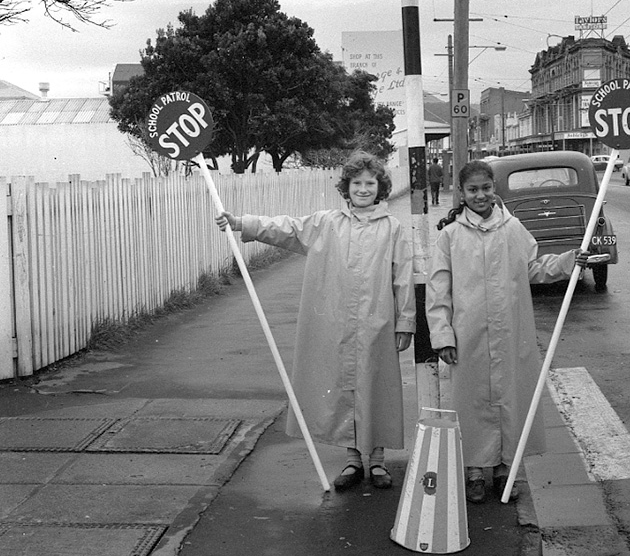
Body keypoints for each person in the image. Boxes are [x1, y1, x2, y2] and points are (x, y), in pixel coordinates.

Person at [215, 151, 415, 492]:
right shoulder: (327, 223)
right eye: (357, 183)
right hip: (337, 324)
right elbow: (286, 228)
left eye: (370, 183)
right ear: (346, 187)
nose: (363, 189)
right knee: (344, 387)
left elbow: (403, 277)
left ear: (380, 187)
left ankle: (378, 460)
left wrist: (405, 322)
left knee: (376, 388)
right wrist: (241, 223)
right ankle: (353, 459)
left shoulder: (392, 229)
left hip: (377, 323)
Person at [426, 160, 588, 504]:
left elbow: (533, 267)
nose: (480, 195)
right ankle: (473, 470)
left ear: (493, 189)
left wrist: (569, 260)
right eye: (473, 190)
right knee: (470, 402)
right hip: (468, 335)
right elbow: (439, 289)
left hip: (510, 331)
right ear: (462, 193)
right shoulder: (450, 236)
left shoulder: (512, 229)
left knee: (510, 400)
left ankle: (504, 469)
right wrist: (442, 335)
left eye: (486, 188)